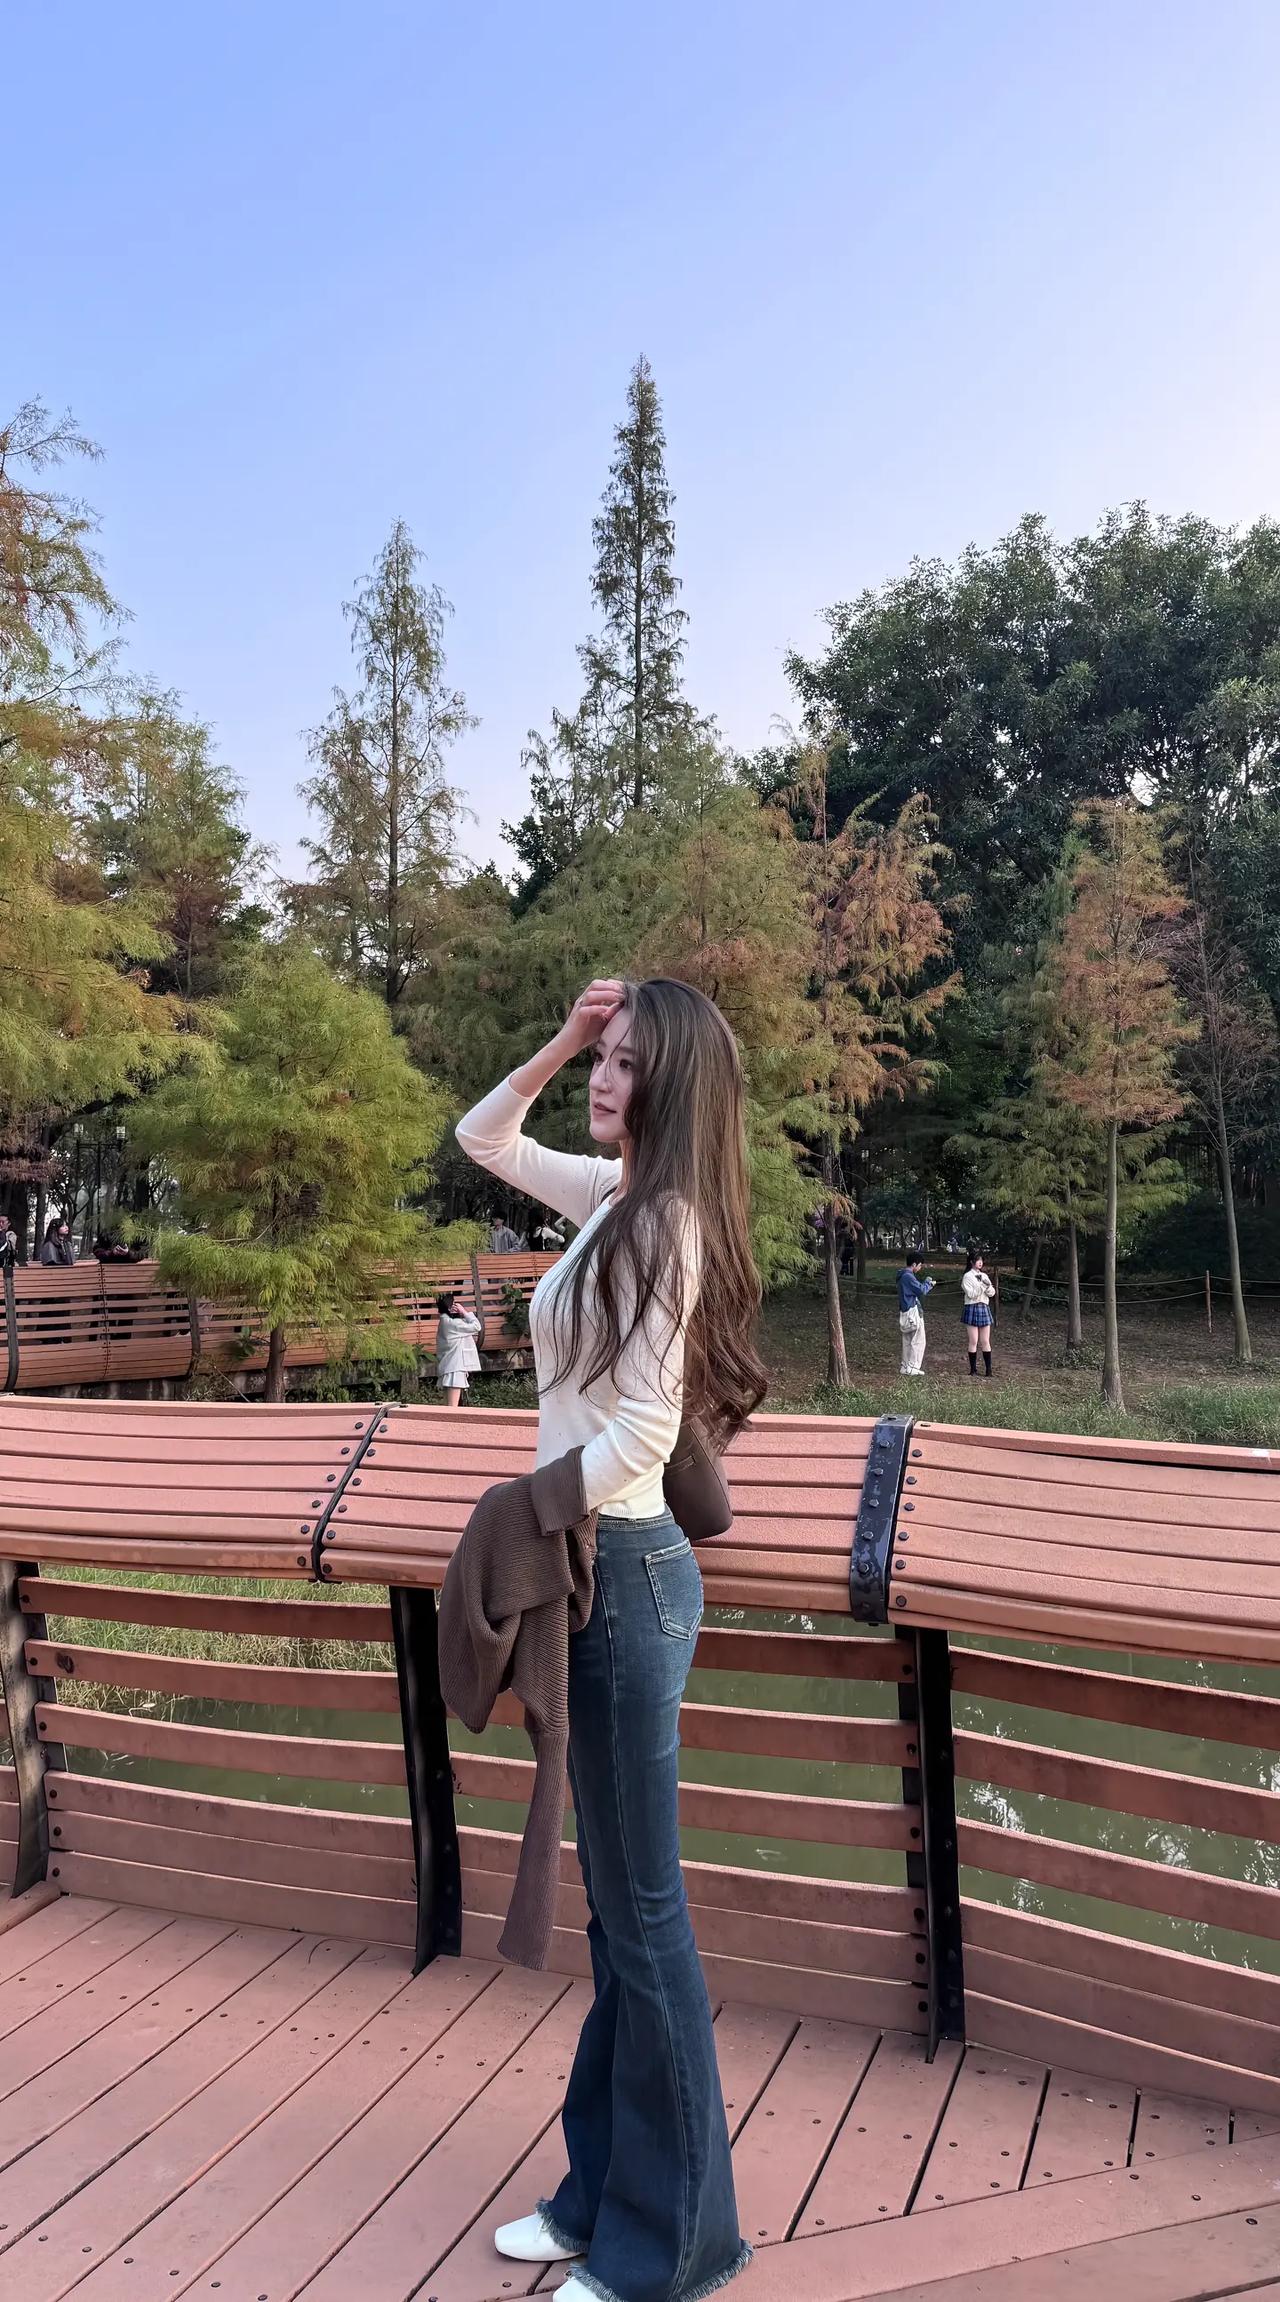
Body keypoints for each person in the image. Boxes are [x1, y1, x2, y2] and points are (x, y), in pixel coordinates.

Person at [455, 974, 765, 2302]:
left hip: (624, 1576)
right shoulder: (611, 1200)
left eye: (630, 1062)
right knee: (618, 1917)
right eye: (605, 1055)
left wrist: (532, 1507)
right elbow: (481, 1136)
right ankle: (600, 2197)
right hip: (596, 1575)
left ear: (674, 1085)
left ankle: (676, 2244)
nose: (605, 1076)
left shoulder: (666, 1225)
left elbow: (642, 1430)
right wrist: (563, 1035)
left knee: (646, 1920)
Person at [434, 1290, 483, 1408]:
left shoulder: (446, 1321)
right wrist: (464, 1312)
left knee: (449, 1406)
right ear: (450, 1307)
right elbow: (477, 1326)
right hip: (455, 1369)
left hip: (450, 1367)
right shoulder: (452, 1324)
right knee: (452, 1407)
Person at [896, 1251, 934, 1376]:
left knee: (907, 1340)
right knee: (918, 1340)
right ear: (914, 1264)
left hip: (905, 1310)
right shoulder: (908, 1276)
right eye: (919, 1265)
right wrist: (928, 1283)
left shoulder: (902, 1275)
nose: (920, 1267)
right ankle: (913, 1366)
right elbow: (921, 1290)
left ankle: (905, 1366)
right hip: (912, 1310)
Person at [962, 1250, 996, 1377]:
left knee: (985, 1341)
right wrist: (982, 1286)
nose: (980, 1262)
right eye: (978, 1260)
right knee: (973, 1340)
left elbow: (992, 1292)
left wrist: (988, 1287)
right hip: (972, 1307)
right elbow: (971, 1294)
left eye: (981, 1260)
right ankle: (973, 1370)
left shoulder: (984, 1275)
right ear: (972, 1262)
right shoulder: (967, 1276)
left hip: (984, 1307)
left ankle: (988, 1370)